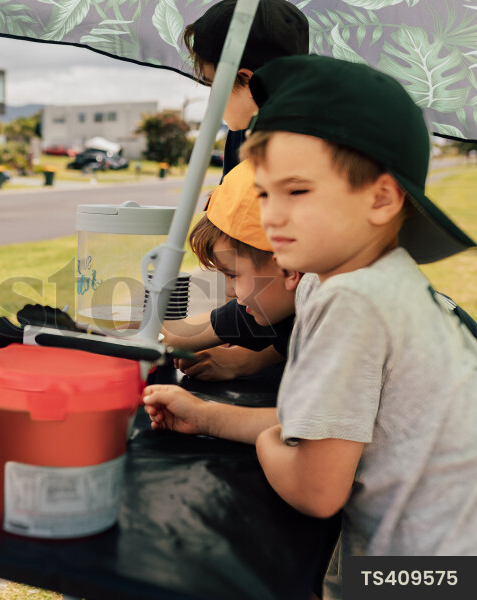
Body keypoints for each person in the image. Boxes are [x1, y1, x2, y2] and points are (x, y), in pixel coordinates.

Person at [148, 55, 477, 598]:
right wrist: (208, 416)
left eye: (297, 192)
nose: (274, 217)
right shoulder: (359, 281)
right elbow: (323, 429)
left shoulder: (349, 300)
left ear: (379, 199)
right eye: (269, 192)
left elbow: (315, 486)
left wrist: (271, 442)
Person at [160, 160, 301, 382]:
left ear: (288, 268)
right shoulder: (271, 303)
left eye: (233, 275)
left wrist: (205, 415)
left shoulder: (337, 323)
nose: (229, 290)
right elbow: (172, 336)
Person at [182, 0, 308, 177]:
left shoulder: (307, 150)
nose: (211, 100)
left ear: (249, 80)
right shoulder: (242, 131)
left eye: (212, 84)